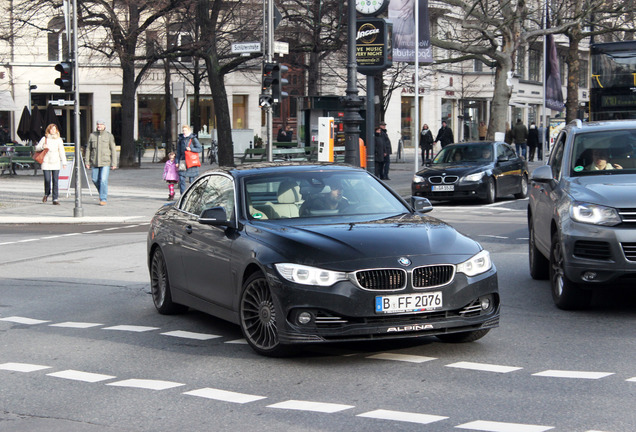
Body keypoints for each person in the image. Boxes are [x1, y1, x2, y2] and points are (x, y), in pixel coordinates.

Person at [85, 120, 117, 206]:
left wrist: (114, 163)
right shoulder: (92, 135)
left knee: (103, 180)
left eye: (101, 124)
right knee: (94, 179)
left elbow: (113, 150)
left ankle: (103, 198)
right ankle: (102, 192)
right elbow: (88, 149)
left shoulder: (109, 136)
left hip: (105, 162)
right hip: (95, 162)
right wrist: (87, 161)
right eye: (98, 124)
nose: (99, 126)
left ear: (104, 126)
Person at [35, 123, 67, 205]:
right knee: (47, 179)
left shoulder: (59, 140)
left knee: (55, 181)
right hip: (46, 162)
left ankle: (55, 199)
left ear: (56, 130)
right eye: (51, 129)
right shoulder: (44, 139)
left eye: (54, 129)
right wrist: (43, 147)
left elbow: (61, 151)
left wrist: (64, 162)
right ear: (48, 130)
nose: (53, 131)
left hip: (55, 162)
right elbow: (37, 148)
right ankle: (46, 193)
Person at [176, 125, 203, 194]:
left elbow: (200, 149)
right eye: (183, 130)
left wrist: (191, 149)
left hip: (191, 161)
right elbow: (178, 151)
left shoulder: (193, 138)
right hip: (183, 161)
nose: (184, 132)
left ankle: (191, 195)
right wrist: (177, 161)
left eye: (185, 130)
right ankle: (182, 195)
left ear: (189, 131)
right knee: (181, 178)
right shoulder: (181, 139)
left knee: (192, 180)